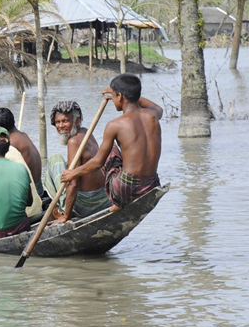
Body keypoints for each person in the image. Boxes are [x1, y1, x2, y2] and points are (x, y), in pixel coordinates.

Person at [61, 74, 163, 210]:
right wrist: (128, 94)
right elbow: (156, 106)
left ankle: (117, 203)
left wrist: (73, 173)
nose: (113, 99)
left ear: (120, 97)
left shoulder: (114, 125)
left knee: (111, 149)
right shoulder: (154, 115)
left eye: (114, 96)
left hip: (126, 189)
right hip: (152, 184)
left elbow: (98, 162)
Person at [43, 101, 110, 223]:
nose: (61, 126)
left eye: (65, 121)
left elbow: (73, 184)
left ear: (77, 121)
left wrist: (66, 216)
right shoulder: (85, 132)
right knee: (65, 165)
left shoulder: (73, 142)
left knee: (54, 159)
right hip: (103, 197)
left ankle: (61, 209)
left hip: (88, 204)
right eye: (58, 122)